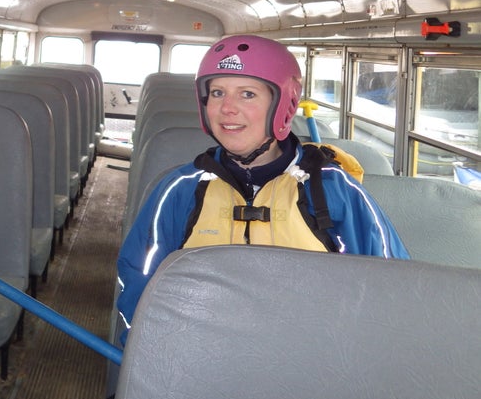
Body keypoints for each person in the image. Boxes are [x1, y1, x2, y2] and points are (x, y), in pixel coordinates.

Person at [115, 35, 409, 345]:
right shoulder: (179, 190)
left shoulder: (336, 190)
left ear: (282, 104)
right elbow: (138, 280)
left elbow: (391, 285)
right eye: (217, 93)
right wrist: (154, 350)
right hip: (198, 357)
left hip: (312, 363)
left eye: (247, 94)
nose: (228, 108)